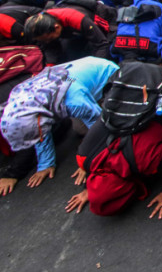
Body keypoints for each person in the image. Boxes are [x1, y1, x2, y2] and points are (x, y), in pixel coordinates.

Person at [0, 57, 120, 193]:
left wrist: (88, 161)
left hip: (107, 76)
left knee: (97, 129)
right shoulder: (20, 102)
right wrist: (46, 164)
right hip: (75, 81)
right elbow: (38, 129)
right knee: (79, 127)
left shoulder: (74, 103)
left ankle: (101, 103)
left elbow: (99, 127)